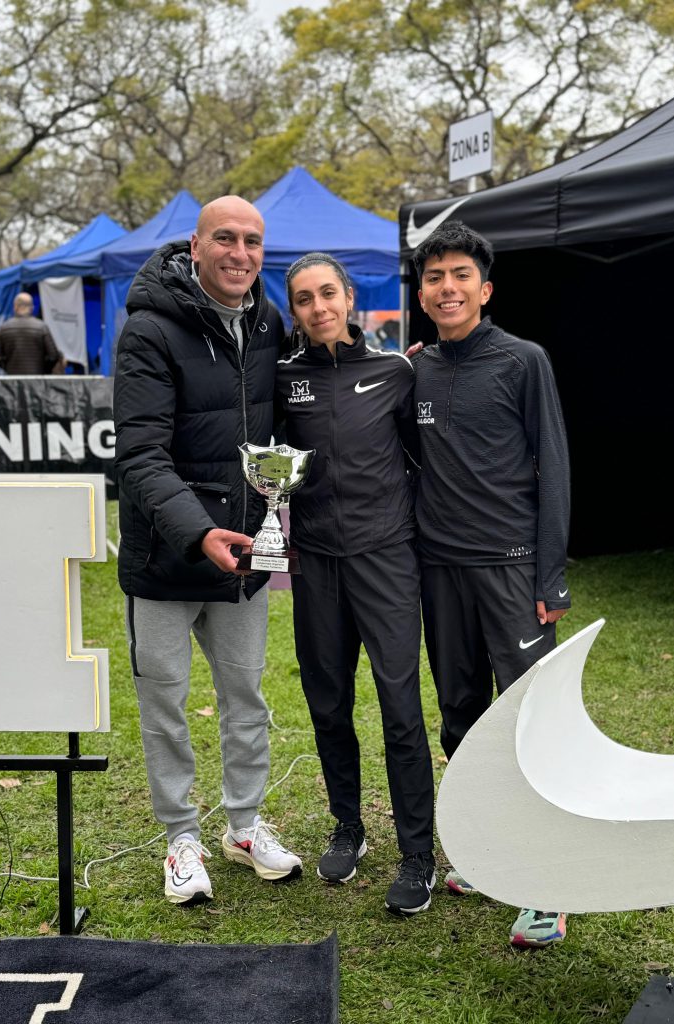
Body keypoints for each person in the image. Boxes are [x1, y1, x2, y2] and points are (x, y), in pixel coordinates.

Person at [114, 196, 302, 906]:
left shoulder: (267, 321)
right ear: (195, 246)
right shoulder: (149, 328)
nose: (240, 252)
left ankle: (245, 825)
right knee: (164, 701)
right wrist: (197, 531)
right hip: (167, 559)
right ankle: (180, 838)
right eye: (226, 238)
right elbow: (139, 455)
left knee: (245, 696)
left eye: (253, 241)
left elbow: (296, 401)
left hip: (246, 556)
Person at [412, 222, 571, 947]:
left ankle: (549, 887)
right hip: (440, 571)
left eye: (460, 276)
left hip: (511, 570)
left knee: (531, 729)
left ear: (485, 288)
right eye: (435, 276)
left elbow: (554, 470)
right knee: (463, 720)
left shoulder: (523, 360)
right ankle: (492, 853)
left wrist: (550, 577)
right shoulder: (414, 369)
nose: (447, 288)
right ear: (421, 292)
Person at [275, 253, 436, 916]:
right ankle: (349, 826)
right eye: (305, 299)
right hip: (315, 563)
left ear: (349, 296)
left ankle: (418, 853)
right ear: (296, 310)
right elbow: (261, 456)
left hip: (386, 560)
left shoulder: (397, 370)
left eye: (328, 294)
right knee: (327, 704)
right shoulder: (282, 379)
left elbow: (425, 458)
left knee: (400, 710)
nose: (319, 308)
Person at [0, 292, 65, 374]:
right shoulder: (41, 327)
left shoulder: (4, 328)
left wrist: (8, 367)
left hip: (13, 381)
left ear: (15, 307)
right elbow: (53, 355)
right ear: (32, 308)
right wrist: (44, 369)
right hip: (37, 379)